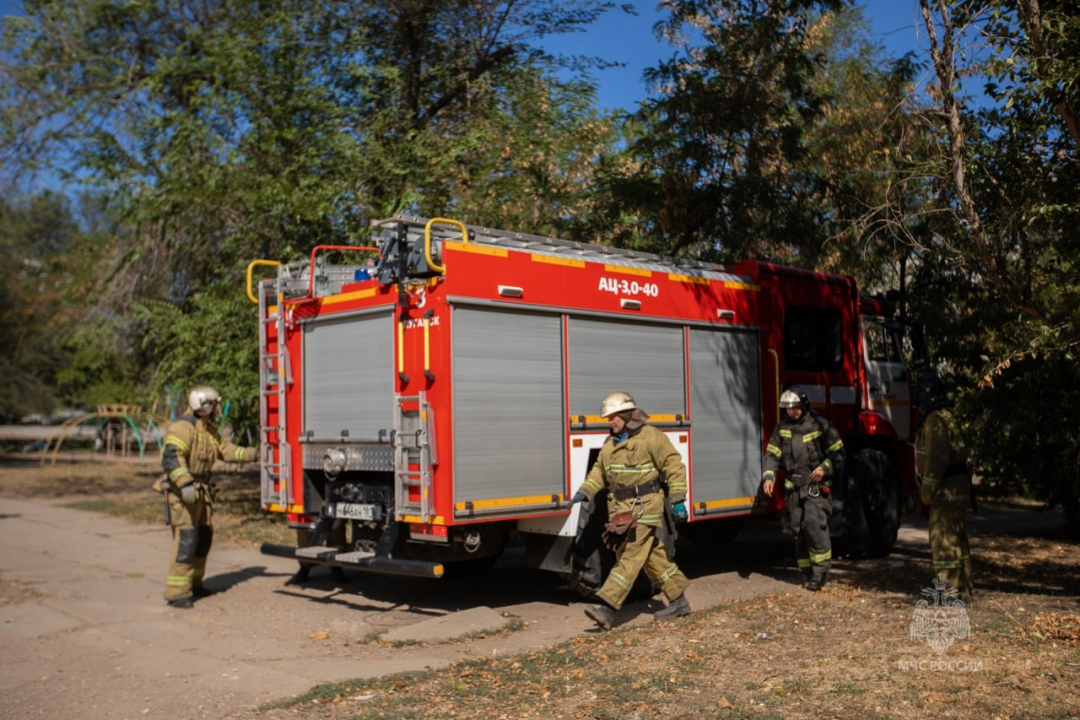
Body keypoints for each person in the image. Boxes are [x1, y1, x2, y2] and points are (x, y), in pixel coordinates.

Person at [571, 391, 691, 630]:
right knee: (651, 554)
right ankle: (678, 600)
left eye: (614, 416)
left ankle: (606, 608)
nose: (610, 421)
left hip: (645, 506)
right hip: (620, 509)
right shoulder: (610, 443)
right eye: (608, 417)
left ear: (627, 416)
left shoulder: (651, 437)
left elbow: (674, 466)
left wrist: (678, 499)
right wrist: (585, 491)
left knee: (631, 555)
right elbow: (599, 473)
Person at [155, 386, 256, 609]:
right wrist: (184, 483)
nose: (216, 408)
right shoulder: (183, 426)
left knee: (203, 537)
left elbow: (227, 451)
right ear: (202, 404)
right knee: (187, 540)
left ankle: (195, 584)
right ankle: (176, 592)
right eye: (213, 404)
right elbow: (172, 457)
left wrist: (255, 453)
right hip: (184, 493)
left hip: (201, 492)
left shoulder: (208, 429)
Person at [760, 386, 845, 591]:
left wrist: (824, 468)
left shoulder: (821, 426)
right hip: (794, 491)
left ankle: (820, 572)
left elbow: (839, 454)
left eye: (796, 408)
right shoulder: (781, 429)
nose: (792, 412)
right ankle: (807, 573)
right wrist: (768, 476)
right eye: (788, 409)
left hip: (817, 487)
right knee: (799, 531)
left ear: (805, 405)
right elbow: (771, 455)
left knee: (813, 524)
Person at [914, 372, 973, 601]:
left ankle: (951, 593)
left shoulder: (934, 420)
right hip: (956, 490)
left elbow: (936, 459)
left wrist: (927, 493)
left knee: (943, 542)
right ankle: (964, 589)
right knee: (957, 541)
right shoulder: (947, 415)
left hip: (945, 492)